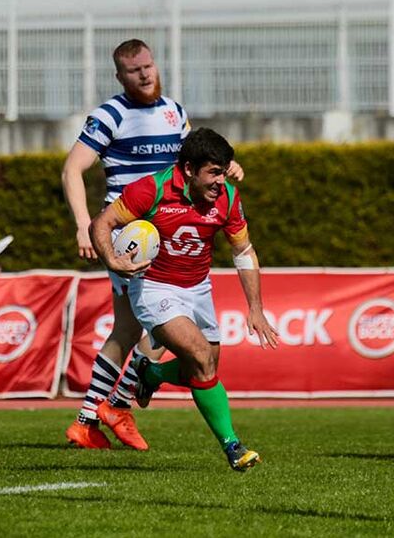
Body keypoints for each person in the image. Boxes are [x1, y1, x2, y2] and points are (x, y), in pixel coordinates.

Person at [90, 127, 278, 471]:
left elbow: (243, 251)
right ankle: (233, 446)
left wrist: (256, 308)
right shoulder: (152, 189)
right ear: (189, 170)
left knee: (206, 367)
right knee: (201, 357)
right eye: (214, 173)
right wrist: (113, 260)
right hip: (153, 287)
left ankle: (151, 373)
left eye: (224, 172)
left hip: (198, 289)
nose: (221, 181)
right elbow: (102, 223)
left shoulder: (228, 199)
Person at [62, 39, 193, 451]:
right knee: (165, 321)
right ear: (120, 76)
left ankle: (86, 421)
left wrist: (226, 167)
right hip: (131, 235)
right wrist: (85, 225)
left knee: (128, 327)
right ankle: (118, 403)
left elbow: (192, 164)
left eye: (149, 66)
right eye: (135, 70)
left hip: (168, 232)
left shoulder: (175, 112)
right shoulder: (110, 114)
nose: (145, 74)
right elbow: (72, 169)